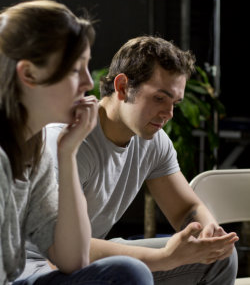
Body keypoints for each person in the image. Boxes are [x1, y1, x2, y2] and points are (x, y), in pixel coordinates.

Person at [47, 36, 238, 284]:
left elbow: (186, 209)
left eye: (174, 103)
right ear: (123, 87)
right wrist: (164, 257)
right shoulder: (69, 141)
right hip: (41, 267)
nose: (168, 113)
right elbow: (58, 247)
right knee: (130, 272)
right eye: (159, 98)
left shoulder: (152, 140)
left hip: (89, 257)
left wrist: (210, 235)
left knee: (219, 258)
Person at [0, 0, 154, 285]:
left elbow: (73, 259)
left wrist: (67, 153)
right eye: (75, 70)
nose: (87, 82)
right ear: (29, 73)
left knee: (126, 272)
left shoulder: (35, 149)